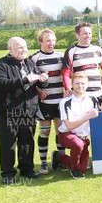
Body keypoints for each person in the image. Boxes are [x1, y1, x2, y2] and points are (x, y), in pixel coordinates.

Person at [0, 37, 48, 184]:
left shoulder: (29, 63)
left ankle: (27, 169)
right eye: (19, 48)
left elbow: (39, 81)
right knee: (8, 143)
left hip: (28, 111)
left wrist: (43, 79)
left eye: (25, 47)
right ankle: (8, 174)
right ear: (10, 50)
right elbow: (0, 83)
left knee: (27, 141)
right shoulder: (1, 65)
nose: (23, 50)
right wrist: (25, 80)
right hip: (8, 112)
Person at [30, 29, 65, 174]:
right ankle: (43, 163)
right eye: (48, 41)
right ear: (41, 42)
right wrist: (38, 91)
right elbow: (29, 81)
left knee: (60, 131)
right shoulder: (34, 59)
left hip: (60, 101)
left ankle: (61, 160)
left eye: (53, 40)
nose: (51, 43)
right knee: (45, 132)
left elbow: (68, 75)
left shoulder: (61, 57)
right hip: (44, 103)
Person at [55, 72, 99, 179]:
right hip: (66, 134)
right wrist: (87, 116)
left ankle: (59, 157)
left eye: (83, 83)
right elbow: (69, 126)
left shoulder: (93, 100)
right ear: (72, 84)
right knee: (77, 144)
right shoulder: (65, 102)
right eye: (77, 83)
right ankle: (74, 170)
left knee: (83, 168)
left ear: (87, 84)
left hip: (83, 138)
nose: (80, 86)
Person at [62, 22, 102, 100]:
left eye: (89, 33)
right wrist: (67, 88)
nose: (88, 36)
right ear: (77, 35)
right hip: (81, 96)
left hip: (98, 94)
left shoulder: (98, 50)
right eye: (85, 33)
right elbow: (66, 74)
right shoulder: (71, 52)